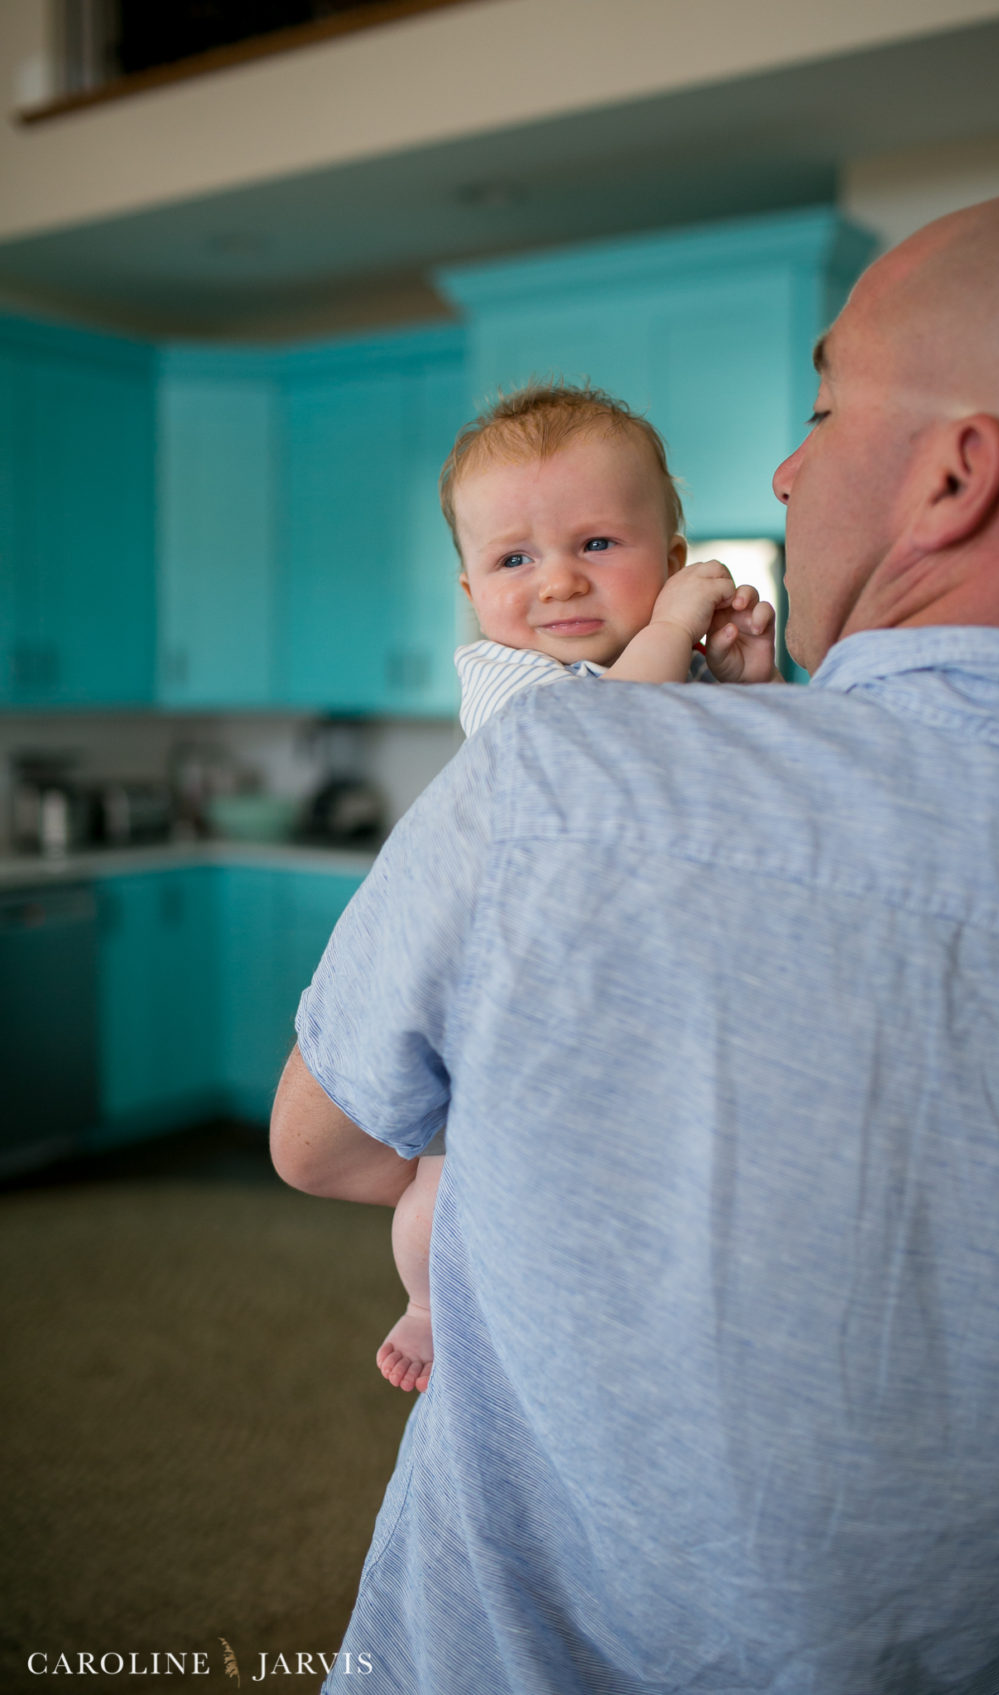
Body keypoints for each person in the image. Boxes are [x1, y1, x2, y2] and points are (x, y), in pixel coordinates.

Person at [270, 184, 999, 1695]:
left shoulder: (563, 778)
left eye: (821, 405)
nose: (789, 466)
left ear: (953, 475)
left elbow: (322, 1144)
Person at [377, 381, 779, 1394]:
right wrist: (679, 624)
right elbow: (613, 746)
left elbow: (748, 788)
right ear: (471, 591)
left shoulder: (667, 671)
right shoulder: (507, 681)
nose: (555, 581)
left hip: (633, 986)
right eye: (513, 559)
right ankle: (427, 1304)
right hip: (507, 993)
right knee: (444, 1173)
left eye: (596, 544)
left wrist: (747, 687)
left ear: (671, 556)